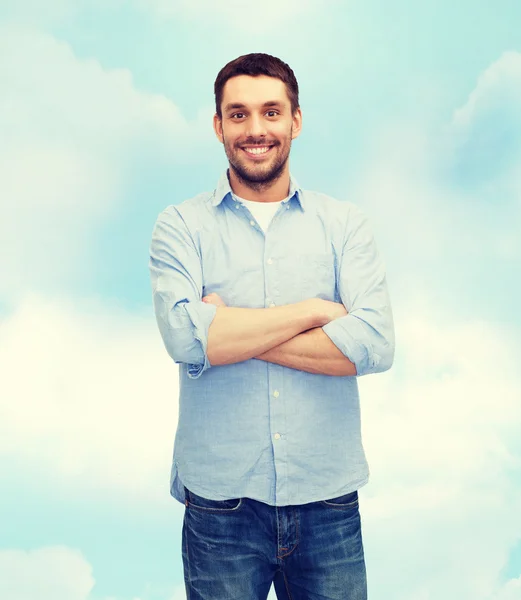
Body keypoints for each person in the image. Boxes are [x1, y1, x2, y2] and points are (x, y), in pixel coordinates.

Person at [149, 52, 395, 600]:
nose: (255, 130)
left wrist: (225, 332)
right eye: (237, 115)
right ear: (218, 126)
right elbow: (183, 338)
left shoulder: (345, 225)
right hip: (220, 508)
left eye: (270, 112)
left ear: (296, 121)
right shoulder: (180, 225)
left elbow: (374, 345)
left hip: (327, 502)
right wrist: (313, 312)